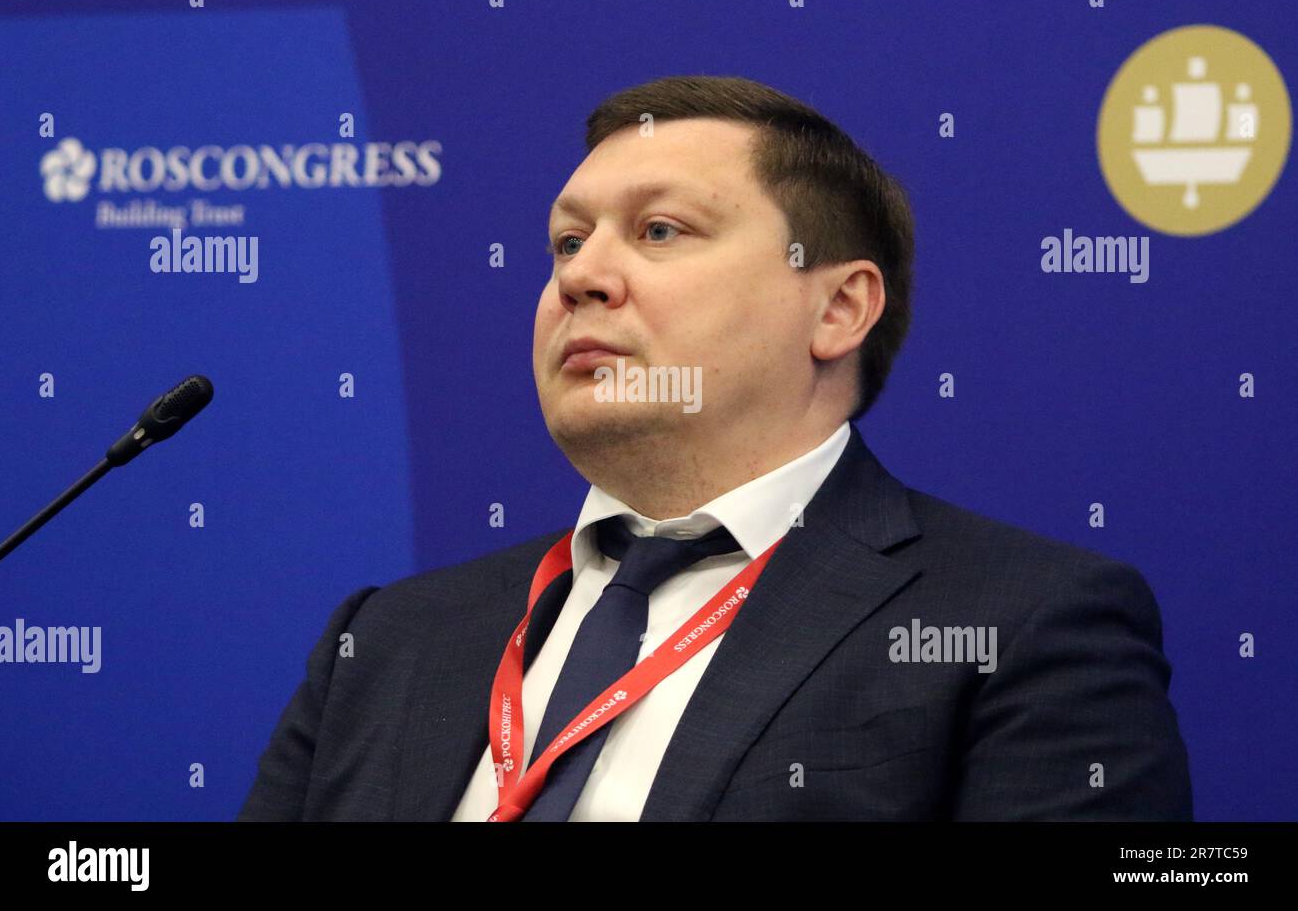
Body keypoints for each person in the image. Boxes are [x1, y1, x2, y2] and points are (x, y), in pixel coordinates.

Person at [238, 75, 1192, 821]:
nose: (584, 278)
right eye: (566, 245)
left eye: (659, 231)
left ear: (838, 306)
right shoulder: (390, 638)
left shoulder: (1021, 623)